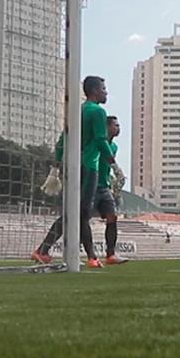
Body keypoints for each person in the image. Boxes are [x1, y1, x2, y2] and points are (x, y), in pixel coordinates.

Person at [31, 75, 113, 268]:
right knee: (80, 213)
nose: (105, 91)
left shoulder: (77, 111)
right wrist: (113, 162)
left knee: (76, 212)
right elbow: (101, 140)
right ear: (94, 91)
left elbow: (62, 140)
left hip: (72, 166)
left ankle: (82, 255)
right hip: (88, 166)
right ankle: (49, 250)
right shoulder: (98, 111)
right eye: (103, 88)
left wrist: (55, 166)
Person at [93, 116, 129, 265]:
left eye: (119, 125)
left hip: (104, 186)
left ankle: (110, 254)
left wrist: (113, 184)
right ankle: (84, 254)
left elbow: (108, 166)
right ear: (106, 127)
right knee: (81, 218)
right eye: (115, 125)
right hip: (90, 185)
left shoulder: (114, 147)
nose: (118, 128)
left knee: (112, 217)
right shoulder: (96, 143)